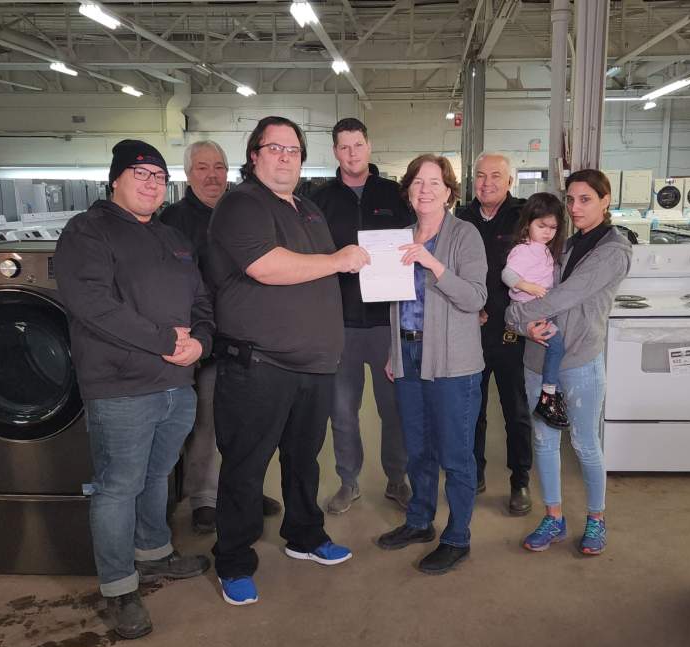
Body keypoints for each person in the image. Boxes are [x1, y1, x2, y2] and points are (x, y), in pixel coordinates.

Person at [205, 116, 369, 605]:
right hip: (259, 364)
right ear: (254, 155)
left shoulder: (309, 209)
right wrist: (340, 259)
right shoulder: (240, 205)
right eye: (273, 148)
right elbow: (266, 266)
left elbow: (321, 273)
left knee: (304, 461)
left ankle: (305, 535)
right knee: (246, 466)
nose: (284, 157)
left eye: (293, 149)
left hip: (312, 364)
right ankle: (233, 560)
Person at [56, 139, 214, 640]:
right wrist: (167, 341)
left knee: (157, 475)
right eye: (140, 174)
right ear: (116, 180)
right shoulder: (87, 232)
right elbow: (95, 307)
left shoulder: (172, 238)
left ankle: (153, 553)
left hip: (176, 384)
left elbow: (203, 302)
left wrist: (201, 344)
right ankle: (119, 587)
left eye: (157, 176)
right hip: (121, 387)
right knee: (118, 486)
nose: (150, 184)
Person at [505, 169, 631, 556]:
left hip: (579, 360)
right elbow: (521, 282)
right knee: (543, 440)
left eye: (585, 199)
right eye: (571, 200)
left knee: (584, 443)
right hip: (537, 358)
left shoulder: (613, 249)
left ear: (605, 200)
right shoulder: (563, 244)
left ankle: (596, 519)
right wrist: (525, 329)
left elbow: (565, 296)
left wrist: (513, 319)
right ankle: (554, 517)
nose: (575, 208)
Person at [159, 140, 282, 534]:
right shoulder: (173, 221)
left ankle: (244, 490)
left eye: (218, 167)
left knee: (251, 421)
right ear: (188, 174)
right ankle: (205, 498)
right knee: (208, 422)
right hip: (203, 339)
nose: (211, 175)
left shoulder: (245, 209)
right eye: (201, 168)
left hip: (248, 334)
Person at [376, 154, 487, 575]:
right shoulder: (398, 237)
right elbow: (395, 300)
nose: (425, 189)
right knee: (418, 449)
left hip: (454, 363)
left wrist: (432, 262)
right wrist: (393, 349)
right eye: (417, 182)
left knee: (455, 454)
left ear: (449, 191)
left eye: (434, 182)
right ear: (408, 189)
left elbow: (475, 297)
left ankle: (458, 536)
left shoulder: (465, 236)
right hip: (407, 354)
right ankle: (420, 521)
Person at [311, 118, 411, 515]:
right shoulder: (319, 200)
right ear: (335, 151)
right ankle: (348, 482)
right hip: (340, 324)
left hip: (387, 323)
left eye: (358, 145)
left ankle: (396, 479)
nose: (352, 154)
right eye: (344, 147)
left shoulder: (395, 194)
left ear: (369, 146)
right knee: (342, 411)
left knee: (394, 410)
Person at [456, 152, 532, 515]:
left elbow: (536, 270)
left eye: (496, 176)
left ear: (509, 181)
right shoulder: (461, 217)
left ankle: (520, 480)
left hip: (511, 331)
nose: (487, 183)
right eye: (481, 176)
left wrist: (500, 312)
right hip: (470, 329)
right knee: (473, 409)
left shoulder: (523, 217)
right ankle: (475, 472)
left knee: (515, 409)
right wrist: (470, 309)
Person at [501, 193, 569, 429]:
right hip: (527, 309)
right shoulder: (524, 249)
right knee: (557, 345)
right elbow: (507, 275)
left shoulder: (545, 249)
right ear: (528, 223)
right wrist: (527, 286)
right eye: (541, 226)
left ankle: (551, 393)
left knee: (556, 346)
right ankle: (549, 395)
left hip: (539, 308)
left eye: (552, 227)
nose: (547, 232)